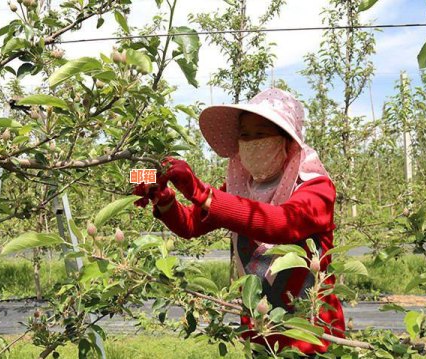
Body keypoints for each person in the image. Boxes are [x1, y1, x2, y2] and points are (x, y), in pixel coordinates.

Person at [132, 88, 345, 355]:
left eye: (261, 134)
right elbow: (191, 225)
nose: (252, 142)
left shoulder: (316, 189)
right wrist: (164, 199)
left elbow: (281, 223)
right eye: (245, 135)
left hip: (312, 339)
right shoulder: (238, 189)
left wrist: (201, 191)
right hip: (261, 333)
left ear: (287, 141)